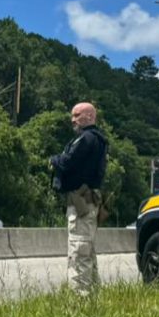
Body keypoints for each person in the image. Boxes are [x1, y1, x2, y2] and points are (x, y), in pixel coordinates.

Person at [49, 102, 108, 295]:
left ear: (90, 116)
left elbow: (68, 162)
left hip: (81, 202)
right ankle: (93, 299)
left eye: (77, 115)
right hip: (88, 201)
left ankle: (79, 303)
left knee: (78, 252)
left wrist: (54, 160)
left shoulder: (87, 139)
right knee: (87, 252)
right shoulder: (97, 139)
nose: (72, 119)